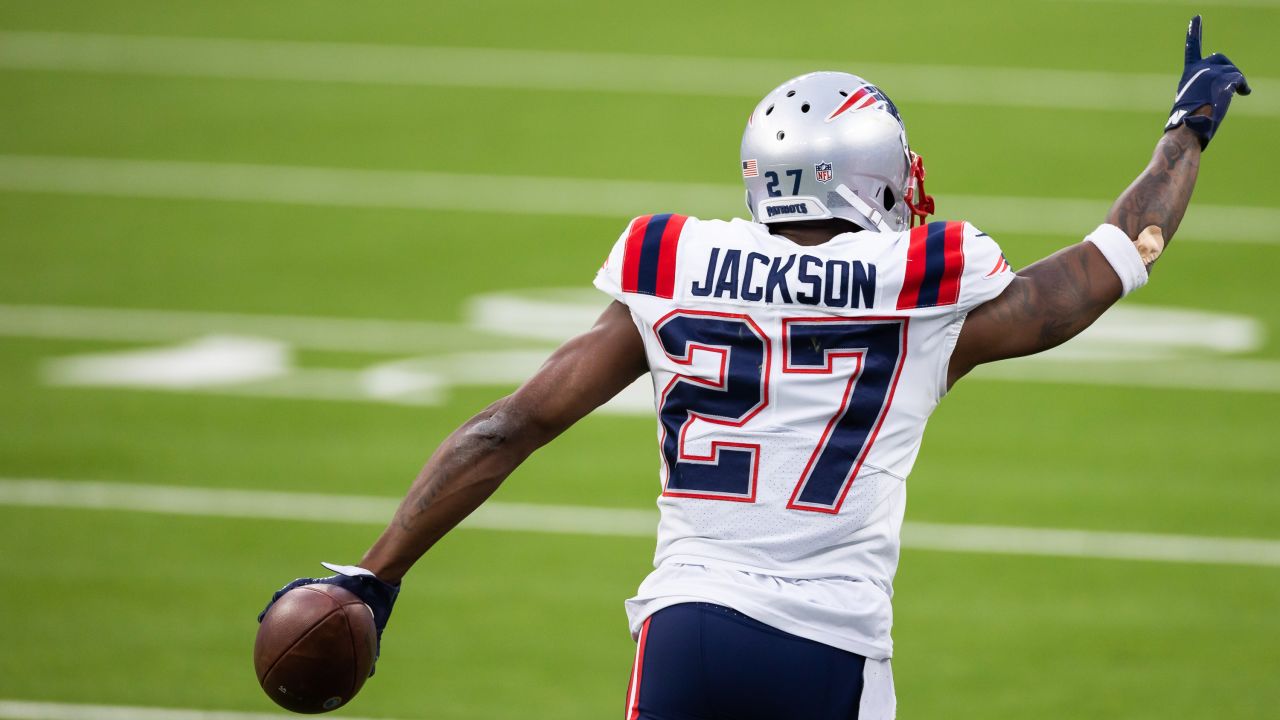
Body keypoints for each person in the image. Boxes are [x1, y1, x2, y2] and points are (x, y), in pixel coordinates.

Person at [260, 16, 1249, 719]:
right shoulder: (921, 287)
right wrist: (1184, 133)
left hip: (683, 630)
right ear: (868, 174)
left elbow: (506, 426)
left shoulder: (671, 260)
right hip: (828, 643)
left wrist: (373, 575)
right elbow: (1100, 271)